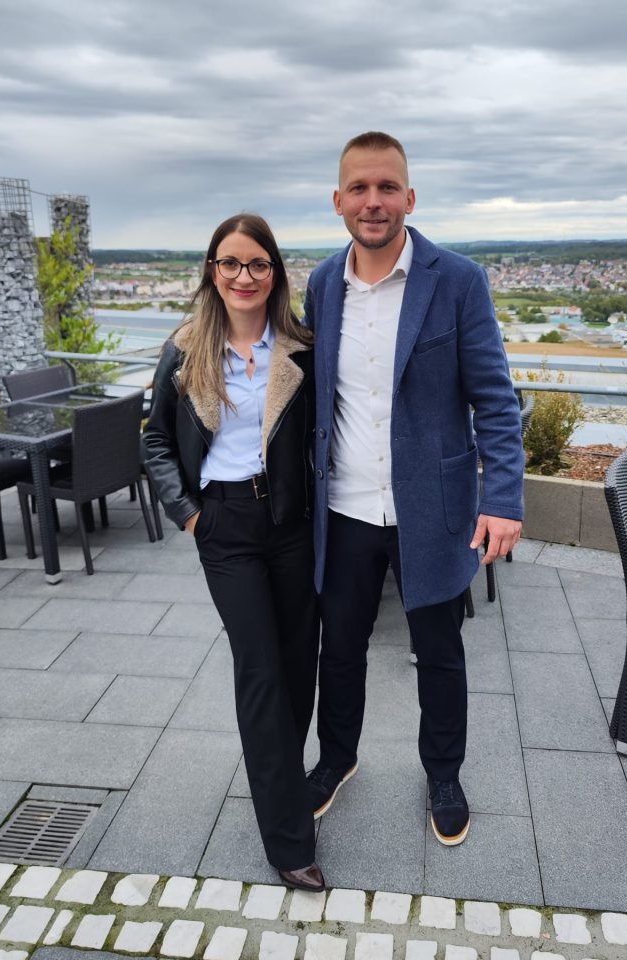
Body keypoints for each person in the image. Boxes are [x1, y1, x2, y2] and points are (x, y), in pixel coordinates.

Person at [303, 132, 524, 846]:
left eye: (387, 187)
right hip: (344, 509)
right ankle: (336, 759)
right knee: (339, 650)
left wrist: (503, 501)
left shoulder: (456, 280)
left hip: (433, 509)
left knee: (440, 652)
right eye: (360, 188)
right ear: (338, 201)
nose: (374, 202)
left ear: (410, 198)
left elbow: (493, 398)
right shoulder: (320, 285)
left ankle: (443, 774)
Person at [144, 214, 323, 891]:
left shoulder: (301, 347)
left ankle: (284, 776)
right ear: (212, 272)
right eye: (230, 263)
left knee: (296, 665)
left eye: (257, 264)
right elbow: (156, 442)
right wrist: (189, 515)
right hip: (224, 527)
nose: (243, 276)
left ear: (274, 272)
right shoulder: (186, 350)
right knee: (259, 673)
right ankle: (288, 838)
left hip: (292, 526)